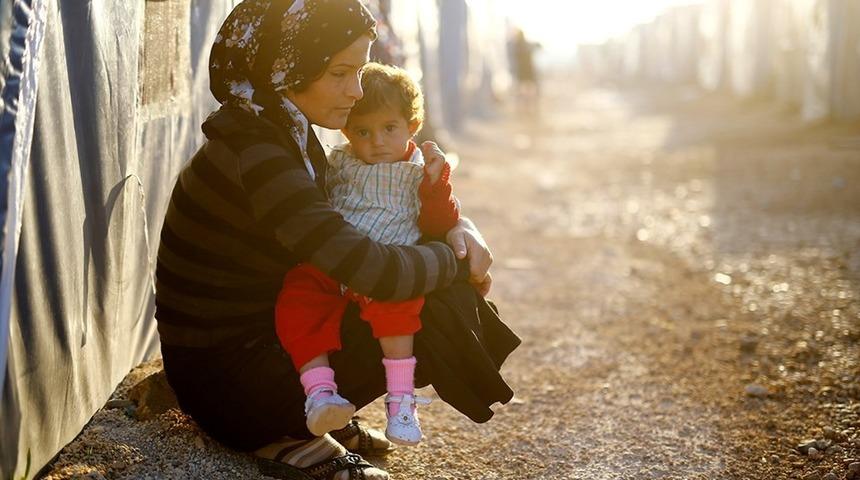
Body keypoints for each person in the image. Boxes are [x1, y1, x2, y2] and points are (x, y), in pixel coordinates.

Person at [155, 1, 520, 479]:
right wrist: (454, 261)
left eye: (361, 70)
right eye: (340, 73)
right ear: (288, 69)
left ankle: (314, 405)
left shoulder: (276, 131)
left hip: (244, 360)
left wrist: (456, 227)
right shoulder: (259, 153)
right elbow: (372, 269)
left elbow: (369, 221)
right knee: (431, 299)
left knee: (420, 284)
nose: (357, 90)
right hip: (231, 390)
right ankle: (283, 434)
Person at [275, 62, 460, 446]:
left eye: (388, 129)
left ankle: (401, 400)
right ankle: (320, 393)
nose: (376, 141)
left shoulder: (417, 170)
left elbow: (440, 221)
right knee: (297, 297)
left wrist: (437, 184)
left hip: (386, 262)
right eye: (362, 131)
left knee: (399, 308)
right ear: (346, 132)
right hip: (336, 260)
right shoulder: (340, 161)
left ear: (411, 126)